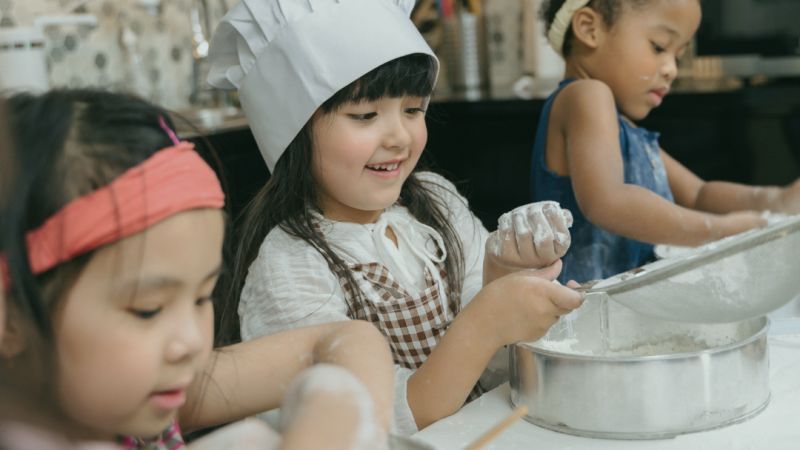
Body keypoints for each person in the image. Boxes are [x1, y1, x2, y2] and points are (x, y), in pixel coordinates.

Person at [208, 0, 587, 434]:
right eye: (365, 115)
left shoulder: (435, 202)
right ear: (294, 132)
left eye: (412, 109)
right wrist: (485, 322)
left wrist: (507, 274)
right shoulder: (289, 269)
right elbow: (368, 424)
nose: (400, 136)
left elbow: (495, 365)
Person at [0, 89, 397, 450]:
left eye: (201, 297)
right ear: (12, 317)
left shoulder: (136, 399)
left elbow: (346, 339)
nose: (193, 343)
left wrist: (346, 417)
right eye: (148, 309)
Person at [530, 0, 800, 284]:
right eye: (659, 47)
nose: (672, 69)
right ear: (589, 28)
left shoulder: (622, 127)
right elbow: (608, 202)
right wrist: (720, 230)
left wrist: (779, 200)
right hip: (588, 317)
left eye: (678, 57)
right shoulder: (586, 95)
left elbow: (698, 194)